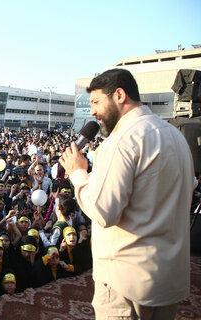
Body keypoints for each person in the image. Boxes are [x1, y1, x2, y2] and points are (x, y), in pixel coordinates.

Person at [59, 68, 194, 319]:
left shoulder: (123, 140)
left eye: (96, 101)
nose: (92, 111)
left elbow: (103, 212)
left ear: (119, 95)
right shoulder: (176, 135)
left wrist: (78, 173)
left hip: (127, 281)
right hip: (168, 277)